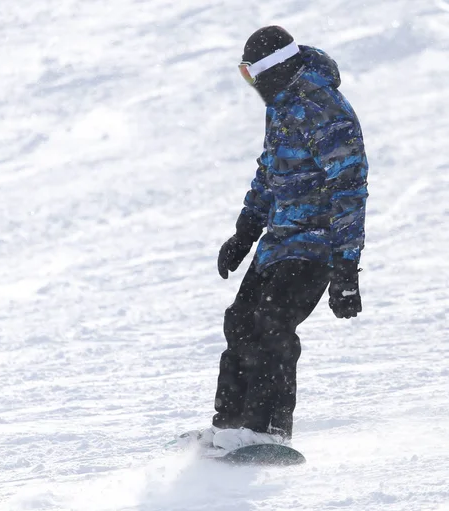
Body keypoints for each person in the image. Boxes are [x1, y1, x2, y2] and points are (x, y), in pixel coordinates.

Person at [179, 26, 369, 451]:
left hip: (316, 244)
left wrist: (345, 269)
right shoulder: (281, 106)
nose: (251, 84)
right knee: (241, 322)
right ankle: (230, 427)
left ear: (272, 70)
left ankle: (269, 431)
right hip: (277, 243)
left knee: (273, 323)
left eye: (251, 75)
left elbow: (350, 190)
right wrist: (244, 233)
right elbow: (269, 172)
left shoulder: (325, 109)